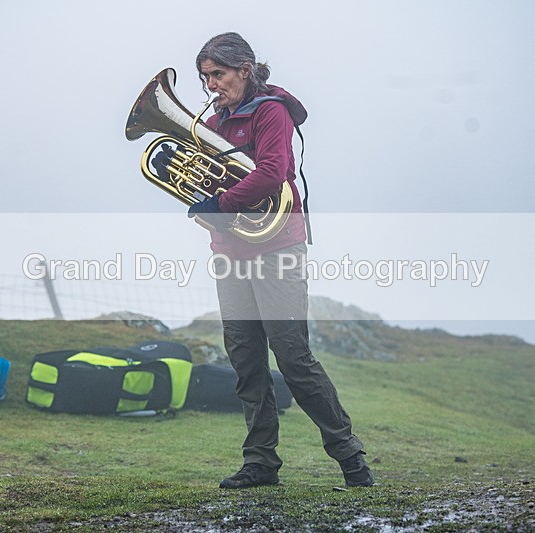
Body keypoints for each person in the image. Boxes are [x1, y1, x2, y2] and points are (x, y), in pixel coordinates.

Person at [186, 32, 374, 489]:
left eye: (218, 74)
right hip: (230, 252)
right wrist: (201, 201)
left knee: (292, 356)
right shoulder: (212, 122)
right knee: (245, 359)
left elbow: (273, 172)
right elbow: (209, 179)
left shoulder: (271, 111)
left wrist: (221, 203)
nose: (211, 85)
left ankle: (350, 457)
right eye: (205, 77)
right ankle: (260, 463)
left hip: (277, 249)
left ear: (245, 70)